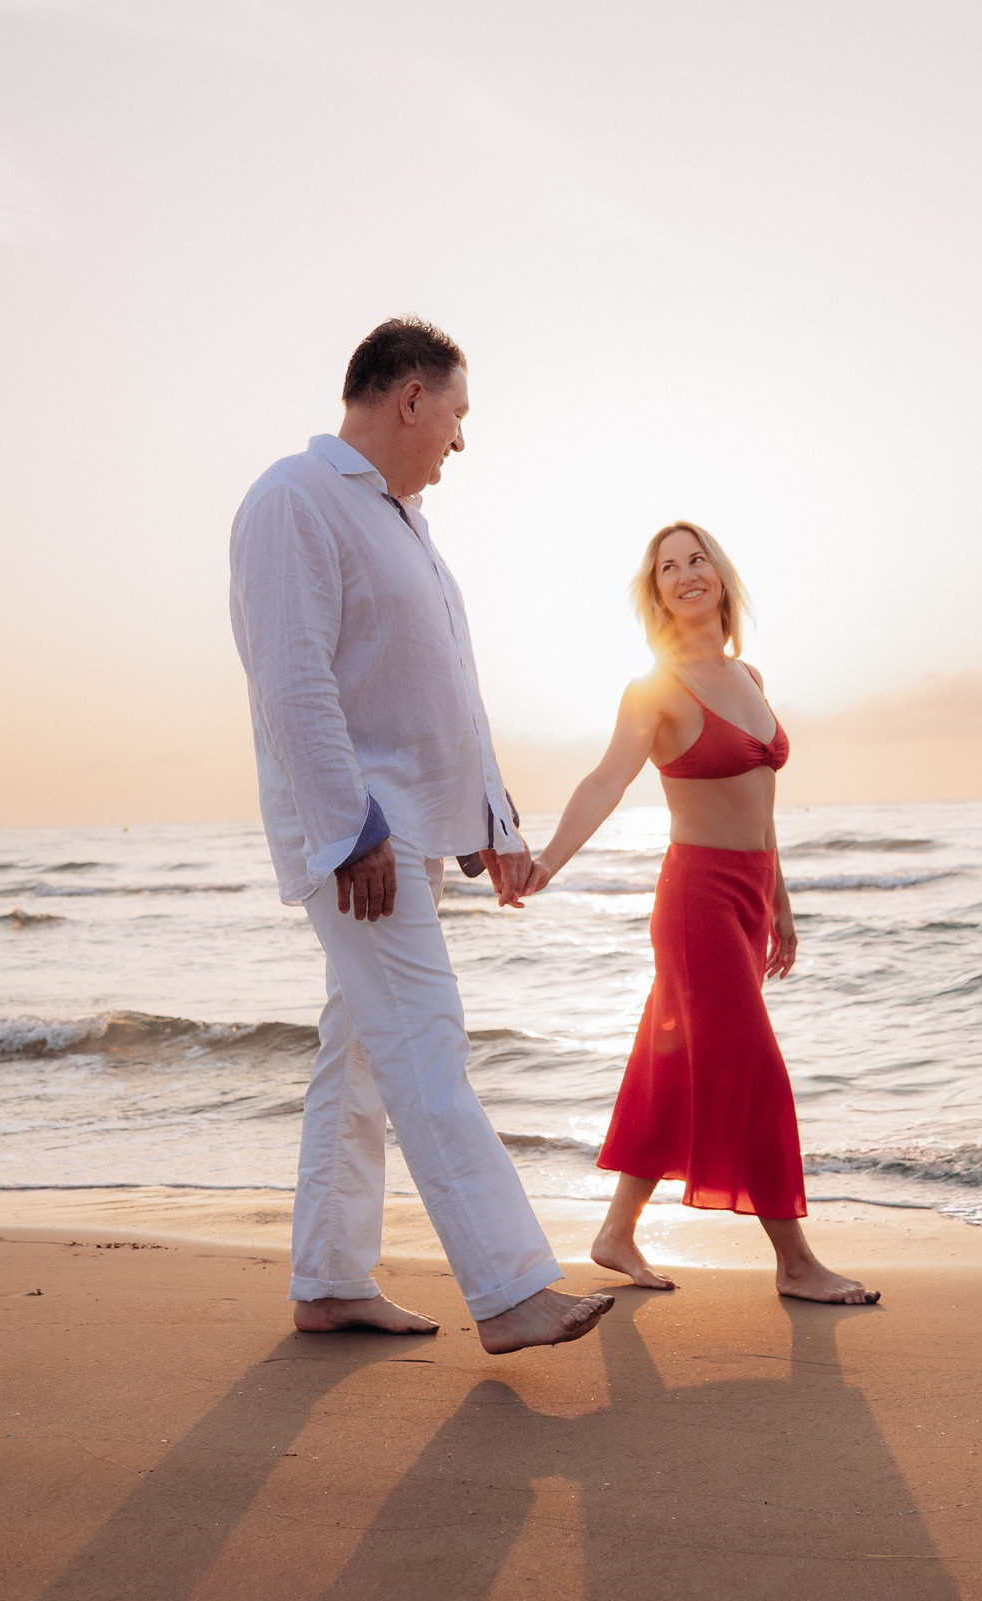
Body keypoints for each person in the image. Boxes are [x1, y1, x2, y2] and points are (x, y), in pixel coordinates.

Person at [227, 318, 612, 1353]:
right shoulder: (291, 502)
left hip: (411, 834)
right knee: (427, 1046)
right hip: (362, 840)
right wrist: (348, 830)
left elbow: (444, 691)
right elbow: (293, 679)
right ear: (409, 399)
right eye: (457, 415)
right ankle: (511, 1286)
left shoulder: (403, 524)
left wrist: (491, 821)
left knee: (355, 1061)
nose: (460, 441)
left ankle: (329, 1279)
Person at [528, 523, 879, 1305]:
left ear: (721, 574)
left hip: (751, 896)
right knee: (754, 1068)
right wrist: (548, 859)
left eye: (697, 559)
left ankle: (616, 1232)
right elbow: (606, 779)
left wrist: (781, 901)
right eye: (668, 568)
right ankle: (794, 1261)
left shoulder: (748, 674)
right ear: (654, 594)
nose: (686, 574)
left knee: (670, 1069)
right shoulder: (657, 688)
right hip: (696, 901)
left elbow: (763, 801)